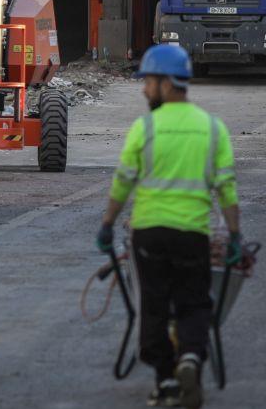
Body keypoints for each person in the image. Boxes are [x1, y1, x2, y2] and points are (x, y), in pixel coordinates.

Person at [96, 44, 242, 409]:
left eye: (147, 82)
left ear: (165, 83)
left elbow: (123, 182)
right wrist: (235, 234)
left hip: (149, 235)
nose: (144, 90)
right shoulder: (212, 129)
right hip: (193, 234)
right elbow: (226, 188)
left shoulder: (145, 127)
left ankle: (165, 378)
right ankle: (190, 357)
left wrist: (107, 224)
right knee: (194, 302)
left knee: (154, 307)